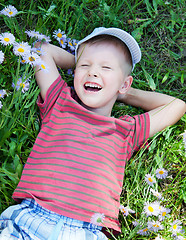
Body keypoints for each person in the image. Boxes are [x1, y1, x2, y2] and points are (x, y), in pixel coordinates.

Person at [0, 27, 185, 240]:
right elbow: (41, 49)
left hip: (87, 231)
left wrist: (123, 92)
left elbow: (176, 105)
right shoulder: (60, 101)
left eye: (106, 68)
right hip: (31, 219)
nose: (93, 72)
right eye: (86, 66)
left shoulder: (126, 130)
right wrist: (76, 62)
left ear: (125, 83)